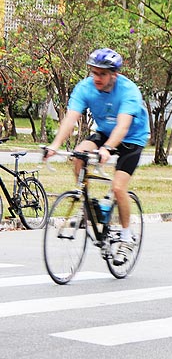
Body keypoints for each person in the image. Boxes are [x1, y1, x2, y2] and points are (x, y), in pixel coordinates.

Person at [44, 48, 150, 266]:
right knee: (79, 154)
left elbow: (123, 126)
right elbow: (70, 119)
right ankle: (88, 205)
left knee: (119, 188)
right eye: (94, 72)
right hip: (105, 132)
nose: (97, 78)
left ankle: (126, 236)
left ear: (114, 75)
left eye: (102, 74)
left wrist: (108, 149)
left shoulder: (129, 91)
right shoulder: (85, 88)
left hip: (132, 137)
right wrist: (54, 146)